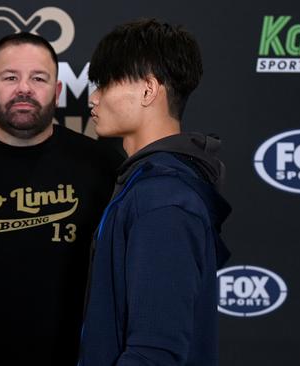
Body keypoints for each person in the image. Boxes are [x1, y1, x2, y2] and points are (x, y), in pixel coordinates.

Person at [0, 32, 122, 366]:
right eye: (10, 77)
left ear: (57, 91)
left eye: (38, 78)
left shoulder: (101, 165)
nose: (24, 88)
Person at [78, 19, 231, 366]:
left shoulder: (163, 198)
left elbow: (154, 353)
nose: (94, 97)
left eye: (105, 83)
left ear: (148, 90)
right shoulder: (149, 185)